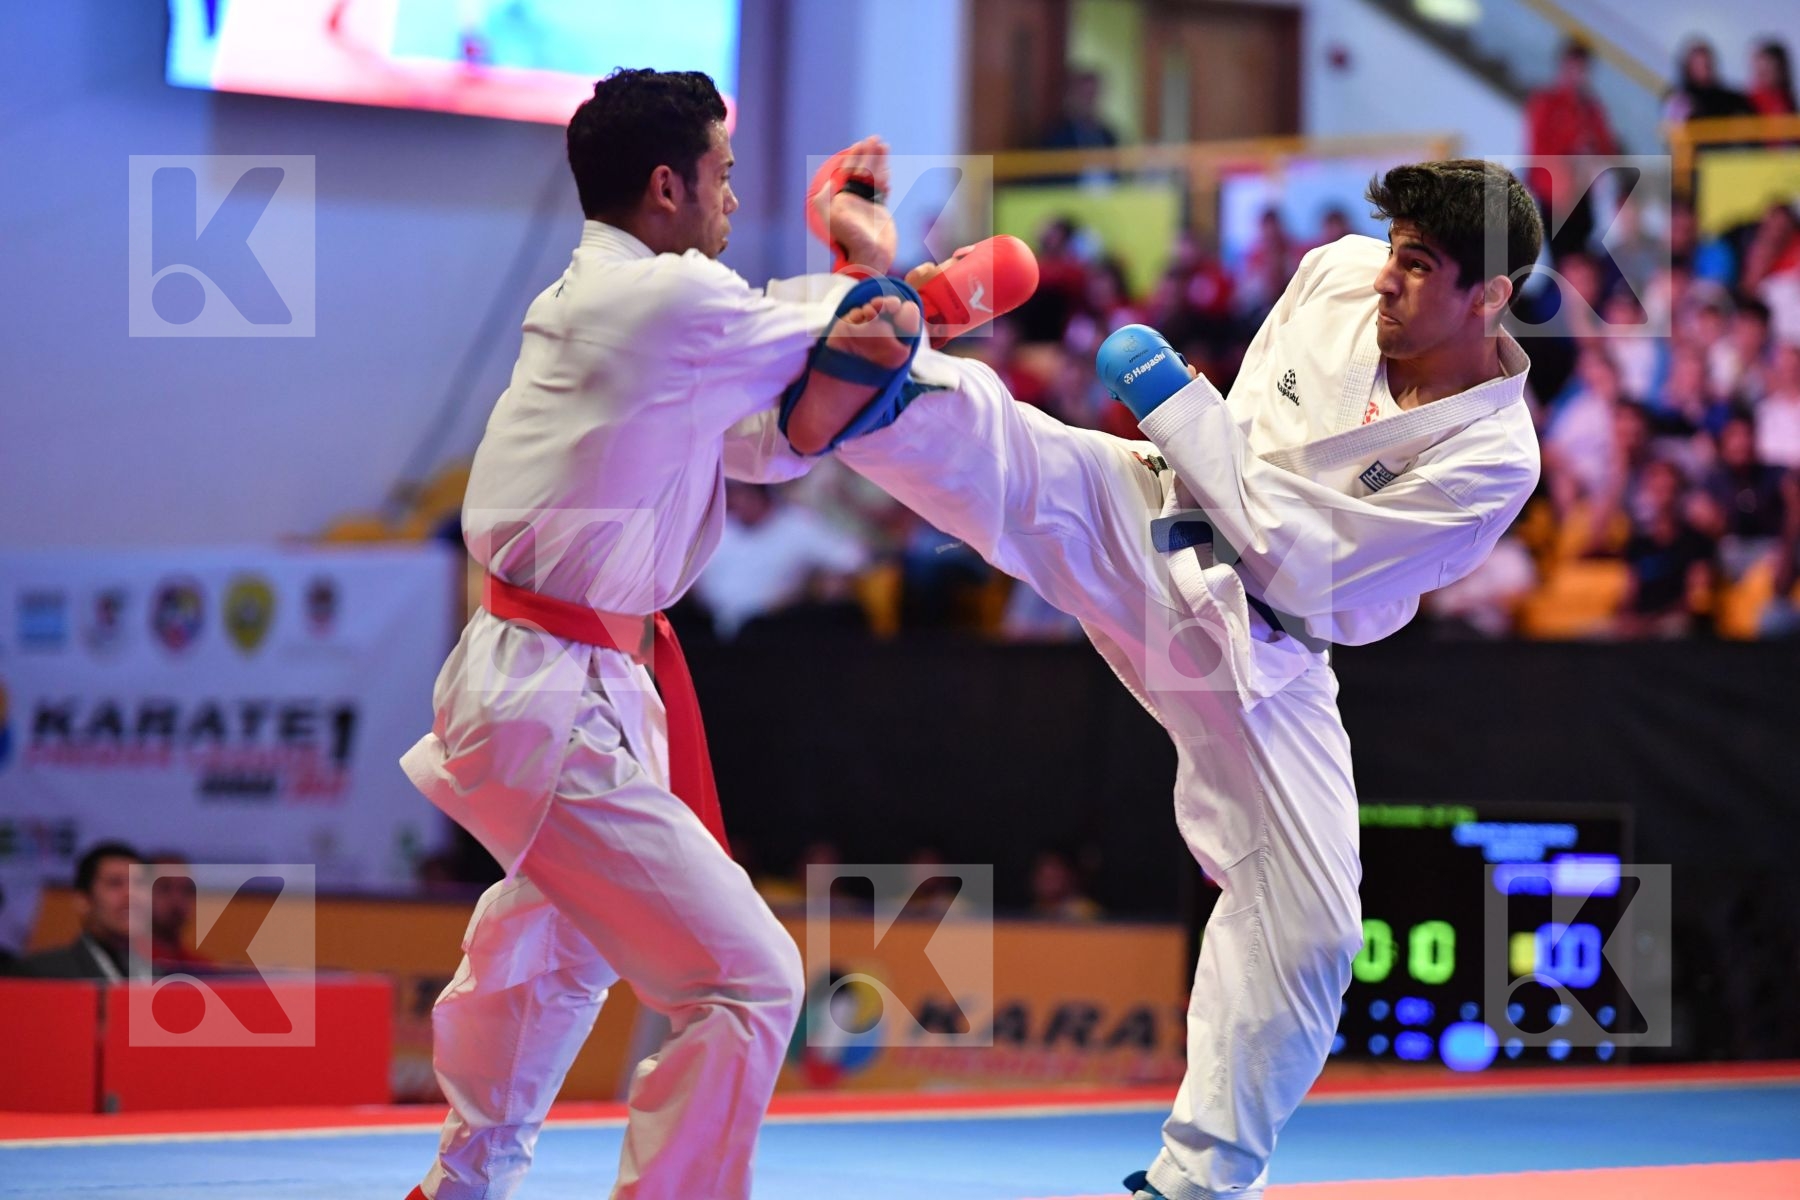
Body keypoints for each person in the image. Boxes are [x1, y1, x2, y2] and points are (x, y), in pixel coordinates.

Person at [775, 159, 1543, 1199]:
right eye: (1393, 253)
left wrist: (1177, 404)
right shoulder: (1336, 274)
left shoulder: (1495, 454)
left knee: (1312, 924)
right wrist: (1191, 434)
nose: (1385, 281)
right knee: (1024, 471)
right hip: (1165, 517)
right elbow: (1244, 454)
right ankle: (867, 356)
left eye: (1417, 266)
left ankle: (1195, 1183)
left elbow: (1297, 556)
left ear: (1490, 293)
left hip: (1271, 649)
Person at [397, 68, 915, 1200]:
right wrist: (864, 244)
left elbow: (781, 434)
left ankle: (465, 1181)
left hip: (577, 676)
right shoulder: (663, 303)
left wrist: (865, 325)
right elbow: (879, 326)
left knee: (555, 943)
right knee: (749, 978)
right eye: (725, 175)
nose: (735, 199)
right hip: (551, 684)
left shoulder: (647, 320)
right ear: (668, 185)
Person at [1524, 39, 1620, 258]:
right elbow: (1538, 148)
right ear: (1562, 67)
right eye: (1572, 68)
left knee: (1579, 256)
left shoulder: (1592, 109)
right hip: (1553, 192)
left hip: (1581, 194)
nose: (1576, 75)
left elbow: (1608, 149)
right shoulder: (1545, 102)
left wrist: (1592, 152)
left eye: (1582, 70)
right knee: (1559, 256)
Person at [8, 842, 141, 981]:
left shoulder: (159, 973)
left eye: (139, 884)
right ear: (83, 900)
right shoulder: (41, 973)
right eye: (115, 883)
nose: (131, 894)